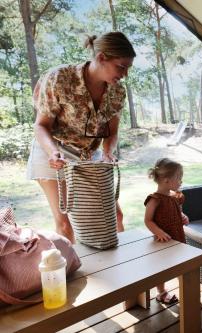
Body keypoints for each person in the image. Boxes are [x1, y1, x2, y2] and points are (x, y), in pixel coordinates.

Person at [27, 32, 136, 243]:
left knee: (115, 216)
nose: (125, 74)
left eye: (128, 68)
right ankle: (78, 273)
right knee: (66, 224)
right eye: (121, 67)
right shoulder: (59, 78)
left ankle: (123, 269)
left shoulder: (117, 92)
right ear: (102, 57)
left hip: (88, 154)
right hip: (53, 150)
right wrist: (53, 153)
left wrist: (107, 152)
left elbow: (112, 132)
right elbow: (41, 126)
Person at [144, 158, 189, 305]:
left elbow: (177, 212)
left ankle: (186, 290)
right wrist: (159, 232)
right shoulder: (155, 199)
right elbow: (148, 220)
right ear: (166, 180)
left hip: (178, 237)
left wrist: (182, 216)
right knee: (161, 268)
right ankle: (161, 293)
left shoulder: (175, 197)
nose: (181, 181)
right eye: (178, 178)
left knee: (181, 265)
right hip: (163, 241)